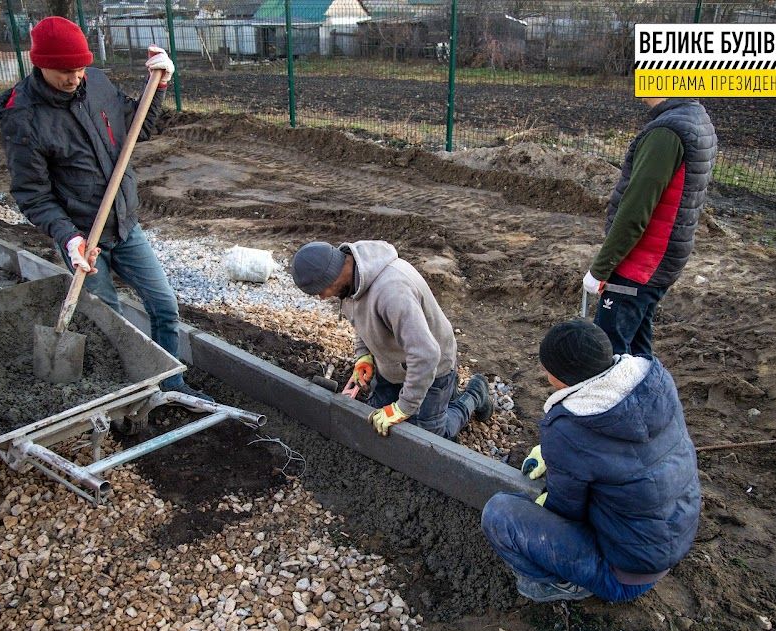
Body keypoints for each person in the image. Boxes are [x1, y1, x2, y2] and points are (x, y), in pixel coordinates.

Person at [0, 17, 208, 399]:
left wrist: (157, 87)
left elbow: (137, 128)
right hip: (83, 240)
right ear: (39, 63)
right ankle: (128, 393)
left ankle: (171, 384)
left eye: (79, 68)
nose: (75, 78)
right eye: (64, 71)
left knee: (164, 305)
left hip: (124, 225)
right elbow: (33, 195)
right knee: (111, 320)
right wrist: (69, 238)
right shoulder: (23, 118)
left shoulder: (98, 84)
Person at [481, 319, 700, 603]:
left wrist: (558, 460)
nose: (544, 372)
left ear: (562, 377)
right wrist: (555, 455)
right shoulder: (654, 383)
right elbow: (613, 457)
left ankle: (561, 584)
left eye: (547, 368)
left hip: (623, 575)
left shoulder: (567, 430)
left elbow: (565, 510)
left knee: (499, 514)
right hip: (671, 537)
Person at [289, 240, 493, 439]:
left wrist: (404, 408)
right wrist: (364, 356)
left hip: (431, 364)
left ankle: (474, 393)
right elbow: (361, 318)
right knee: (373, 422)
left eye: (322, 291)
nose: (322, 298)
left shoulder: (392, 292)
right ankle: (443, 395)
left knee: (428, 437)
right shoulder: (352, 280)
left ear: (332, 275)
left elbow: (426, 355)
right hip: (393, 363)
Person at [584, 97, 717, 356]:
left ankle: (623, 396)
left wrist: (600, 269)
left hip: (641, 263)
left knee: (611, 352)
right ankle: (650, 394)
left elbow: (635, 210)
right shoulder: (695, 117)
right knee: (636, 347)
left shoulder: (665, 134)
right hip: (663, 258)